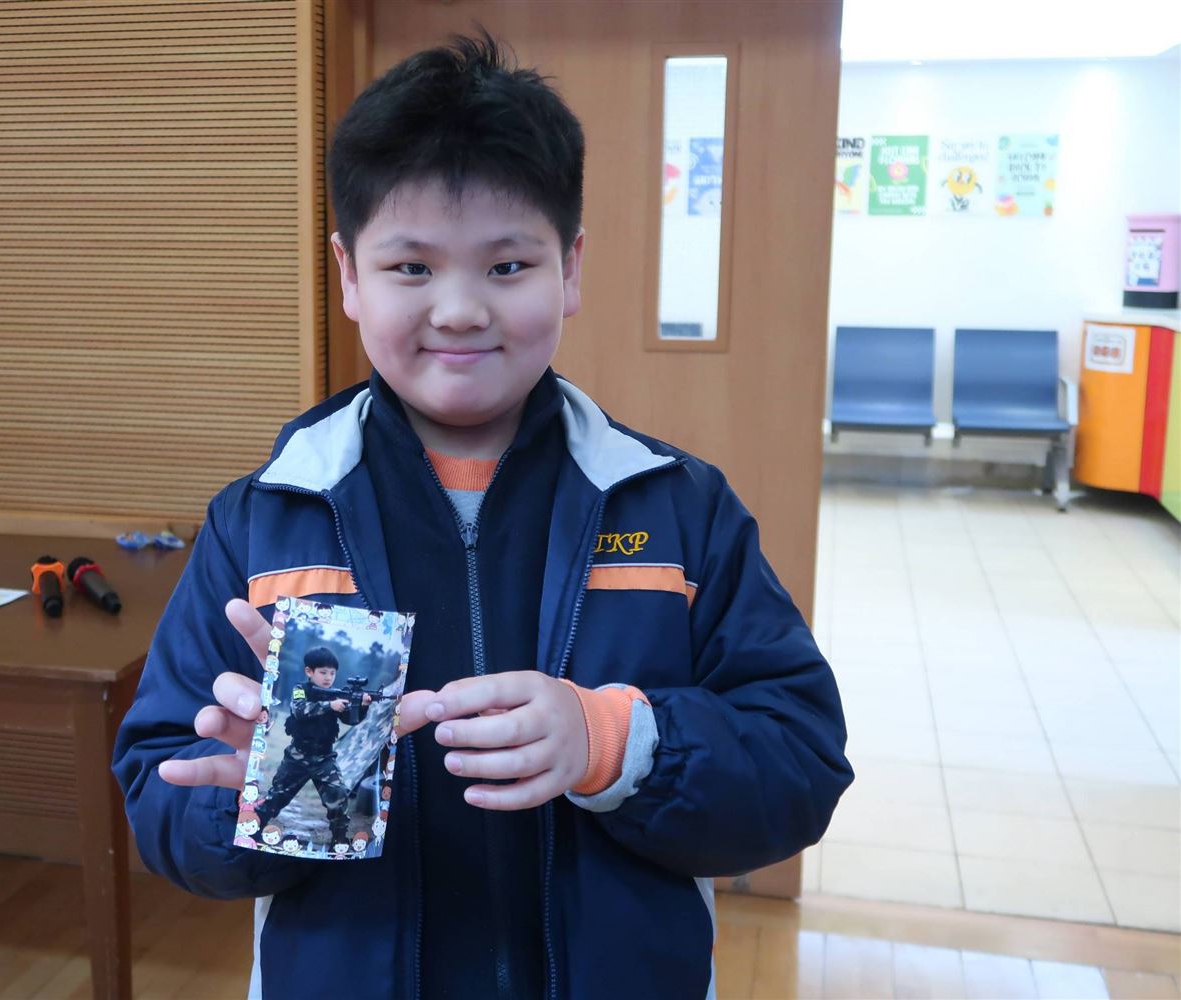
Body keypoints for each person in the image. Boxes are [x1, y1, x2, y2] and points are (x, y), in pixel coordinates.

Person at [112, 31, 852, 1000]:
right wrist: (279, 795)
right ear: (348, 274)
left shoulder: (678, 507)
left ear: (570, 268)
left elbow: (800, 760)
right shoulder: (267, 517)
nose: (459, 310)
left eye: (506, 266)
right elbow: (160, 786)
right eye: (411, 268)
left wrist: (609, 740)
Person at [252, 646, 370, 845]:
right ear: (309, 671)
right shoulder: (301, 690)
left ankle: (339, 842)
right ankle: (253, 829)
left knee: (338, 796)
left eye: (332, 673)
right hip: (297, 756)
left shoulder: (336, 695)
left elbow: (351, 720)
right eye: (323, 672)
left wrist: (362, 705)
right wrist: (329, 706)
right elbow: (299, 710)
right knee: (277, 798)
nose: (328, 677)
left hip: (325, 758)